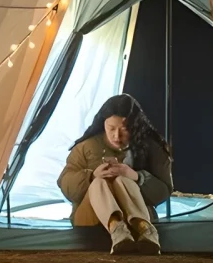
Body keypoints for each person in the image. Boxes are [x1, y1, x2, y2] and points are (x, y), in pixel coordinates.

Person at [57, 94, 172, 254]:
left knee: (122, 179)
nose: (116, 136)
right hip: (91, 217)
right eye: (111, 128)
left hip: (137, 214)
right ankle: (117, 229)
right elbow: (66, 184)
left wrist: (137, 177)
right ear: (103, 123)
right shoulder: (85, 147)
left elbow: (164, 191)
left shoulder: (150, 148)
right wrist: (91, 176)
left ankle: (144, 229)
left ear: (135, 127)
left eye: (124, 129)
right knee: (100, 182)